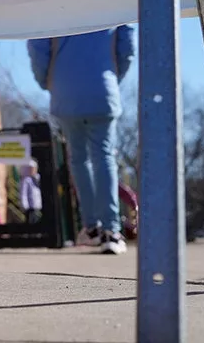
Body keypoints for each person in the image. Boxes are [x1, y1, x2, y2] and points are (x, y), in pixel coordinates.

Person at [28, 26, 135, 255]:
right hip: (103, 90)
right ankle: (111, 230)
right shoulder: (108, 0)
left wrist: (48, 82)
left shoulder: (54, 3)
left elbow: (38, 48)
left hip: (66, 93)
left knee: (79, 160)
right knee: (104, 157)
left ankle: (92, 227)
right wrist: (112, 77)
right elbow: (127, 46)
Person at [20, 160, 43, 225]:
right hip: (30, 207)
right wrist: (25, 205)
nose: (33, 170)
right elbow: (23, 194)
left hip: (38, 206)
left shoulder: (38, 178)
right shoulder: (26, 180)